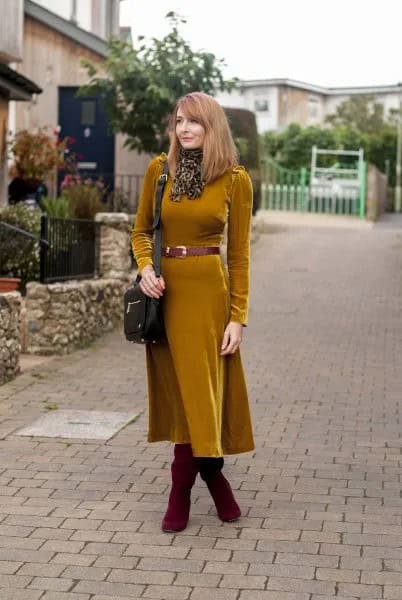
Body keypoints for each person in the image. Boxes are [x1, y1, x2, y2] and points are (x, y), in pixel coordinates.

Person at [131, 91, 255, 533]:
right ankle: (210, 479)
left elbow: (239, 256)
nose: (184, 129)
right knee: (183, 394)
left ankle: (183, 486)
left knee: (202, 395)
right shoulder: (157, 171)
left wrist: (237, 316)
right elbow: (141, 231)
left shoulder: (234, 179)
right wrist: (145, 268)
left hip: (209, 298)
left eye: (194, 122)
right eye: (179, 121)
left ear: (212, 127)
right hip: (166, 295)